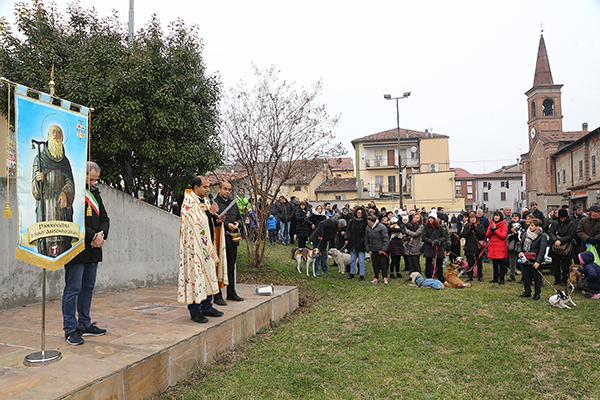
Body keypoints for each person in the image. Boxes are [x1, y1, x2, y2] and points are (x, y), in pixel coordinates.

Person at [62, 162, 109, 345]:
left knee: (87, 287)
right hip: (76, 247)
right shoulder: (73, 192)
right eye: (91, 179)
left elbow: (105, 217)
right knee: (73, 289)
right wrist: (92, 235)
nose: (94, 183)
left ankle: (84, 323)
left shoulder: (95, 193)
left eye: (96, 179)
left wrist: (102, 235)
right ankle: (70, 329)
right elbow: (71, 219)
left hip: (94, 248)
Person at [179, 176, 226, 324]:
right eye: (205, 187)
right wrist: (210, 214)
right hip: (194, 249)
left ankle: (207, 307)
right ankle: (194, 311)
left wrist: (217, 221)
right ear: (195, 188)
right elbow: (196, 222)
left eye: (208, 187)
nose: (208, 190)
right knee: (195, 276)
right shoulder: (188, 203)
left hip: (206, 246)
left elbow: (207, 223)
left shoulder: (205, 201)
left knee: (208, 275)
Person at [32, 124, 75, 257]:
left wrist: (65, 192)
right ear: (48, 136)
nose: (56, 134)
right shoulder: (39, 159)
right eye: (53, 132)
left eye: (58, 133)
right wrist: (40, 181)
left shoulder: (65, 162)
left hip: (62, 208)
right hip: (46, 208)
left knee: (62, 239)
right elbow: (36, 193)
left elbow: (70, 182)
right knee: (47, 240)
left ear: (62, 138)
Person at [214, 181, 244, 305]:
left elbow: (239, 218)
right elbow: (214, 219)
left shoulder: (234, 204)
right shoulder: (214, 204)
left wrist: (238, 224)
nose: (227, 191)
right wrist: (227, 225)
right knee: (219, 268)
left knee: (231, 267)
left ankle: (231, 292)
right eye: (225, 189)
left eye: (229, 189)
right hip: (220, 240)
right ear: (219, 189)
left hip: (232, 240)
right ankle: (217, 295)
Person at [517, 218, 547, 300]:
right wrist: (520, 252)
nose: (530, 227)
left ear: (538, 227)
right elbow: (520, 245)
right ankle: (527, 292)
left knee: (536, 278)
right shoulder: (526, 234)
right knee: (525, 276)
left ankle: (537, 294)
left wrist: (538, 261)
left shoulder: (542, 236)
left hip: (535, 259)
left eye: (532, 225)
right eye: (529, 225)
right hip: (525, 259)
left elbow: (542, 250)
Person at [548, 208, 576, 286]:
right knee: (555, 265)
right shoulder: (555, 223)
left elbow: (571, 235)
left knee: (565, 266)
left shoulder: (570, 223)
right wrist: (555, 240)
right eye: (561, 218)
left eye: (564, 218)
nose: (562, 219)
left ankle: (564, 280)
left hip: (566, 247)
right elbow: (550, 232)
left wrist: (561, 241)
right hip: (555, 246)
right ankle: (557, 279)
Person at [460, 212, 486, 282]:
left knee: (479, 263)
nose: (472, 219)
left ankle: (480, 276)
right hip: (469, 246)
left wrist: (475, 229)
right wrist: (470, 230)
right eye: (471, 218)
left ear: (476, 219)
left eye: (474, 217)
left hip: (478, 247)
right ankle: (470, 276)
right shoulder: (466, 227)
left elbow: (482, 234)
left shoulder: (480, 226)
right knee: (470, 263)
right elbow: (463, 235)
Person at [422, 211, 447, 282]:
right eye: (429, 218)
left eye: (432, 218)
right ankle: (428, 276)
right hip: (429, 247)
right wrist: (431, 241)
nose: (430, 219)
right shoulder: (426, 227)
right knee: (428, 263)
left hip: (438, 248)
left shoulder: (440, 227)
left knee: (439, 263)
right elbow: (424, 237)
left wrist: (439, 241)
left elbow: (444, 236)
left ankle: (440, 276)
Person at [365, 215, 390, 284]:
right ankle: (376, 277)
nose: (369, 223)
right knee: (375, 264)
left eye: (370, 222)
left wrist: (383, 249)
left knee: (383, 264)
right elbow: (366, 239)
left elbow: (386, 239)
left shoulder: (382, 227)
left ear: (374, 222)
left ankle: (385, 277)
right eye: (368, 222)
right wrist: (368, 249)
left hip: (381, 249)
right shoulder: (367, 228)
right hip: (372, 249)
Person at [345, 206, 368, 280]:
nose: (359, 214)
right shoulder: (352, 221)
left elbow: (366, 232)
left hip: (361, 243)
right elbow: (348, 230)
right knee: (352, 260)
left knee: (361, 261)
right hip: (352, 243)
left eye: (361, 213)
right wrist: (347, 238)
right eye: (358, 213)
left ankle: (362, 274)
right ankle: (352, 273)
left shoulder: (365, 222)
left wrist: (364, 240)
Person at [486, 211, 508, 285]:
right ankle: (495, 278)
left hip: (501, 247)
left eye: (497, 216)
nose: (496, 217)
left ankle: (502, 279)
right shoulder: (491, 224)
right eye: (495, 215)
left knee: (501, 264)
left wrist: (495, 230)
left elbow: (503, 236)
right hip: (493, 247)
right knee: (494, 264)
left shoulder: (504, 225)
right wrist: (491, 230)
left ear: (500, 217)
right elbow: (487, 235)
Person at [404, 213, 425, 279]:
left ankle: (418, 276)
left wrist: (406, 231)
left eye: (417, 218)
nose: (415, 219)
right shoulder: (410, 225)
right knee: (410, 263)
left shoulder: (421, 226)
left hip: (416, 246)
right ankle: (411, 276)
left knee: (416, 262)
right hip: (409, 246)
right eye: (414, 217)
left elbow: (415, 234)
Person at [506, 213, 522, 282]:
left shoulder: (523, 224)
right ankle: (512, 275)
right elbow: (507, 236)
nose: (514, 217)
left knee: (523, 262)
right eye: (513, 216)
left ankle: (524, 277)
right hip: (512, 246)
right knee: (512, 261)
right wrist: (514, 234)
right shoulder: (509, 225)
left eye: (516, 216)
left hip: (521, 246)